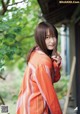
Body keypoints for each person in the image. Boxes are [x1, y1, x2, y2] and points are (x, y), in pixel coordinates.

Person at [16, 21, 62, 114]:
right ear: (40, 38)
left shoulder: (37, 53)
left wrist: (55, 65)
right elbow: (50, 95)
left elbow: (54, 79)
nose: (52, 41)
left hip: (28, 105)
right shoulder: (42, 61)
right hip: (35, 108)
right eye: (47, 37)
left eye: (53, 36)